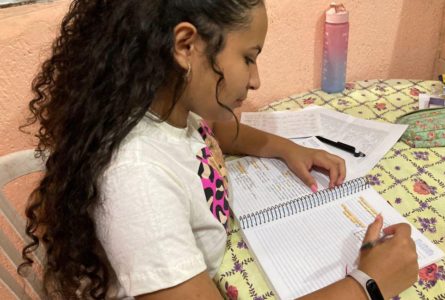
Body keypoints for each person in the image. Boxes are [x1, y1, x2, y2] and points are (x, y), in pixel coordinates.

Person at [19, 0, 418, 299]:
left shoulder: (170, 107)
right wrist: (369, 284)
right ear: (185, 46)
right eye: (248, 58)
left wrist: (284, 147)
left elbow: (217, 137)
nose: (257, 79)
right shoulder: (136, 179)